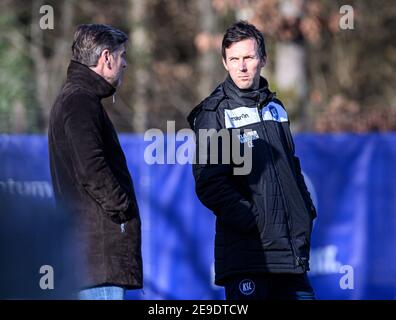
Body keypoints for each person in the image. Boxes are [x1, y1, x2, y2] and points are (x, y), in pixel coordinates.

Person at [187, 21, 317, 300]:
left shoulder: (276, 108)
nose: (241, 66)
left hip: (290, 256)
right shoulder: (214, 112)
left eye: (248, 57)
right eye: (233, 59)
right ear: (224, 62)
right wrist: (255, 220)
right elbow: (209, 184)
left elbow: (292, 168)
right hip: (248, 255)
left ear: (263, 59)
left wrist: (305, 211)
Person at [48, 24, 143, 300]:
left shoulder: (76, 97)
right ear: (106, 57)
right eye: (122, 55)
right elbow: (91, 169)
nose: (125, 63)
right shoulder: (80, 100)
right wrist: (121, 208)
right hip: (98, 261)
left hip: (91, 260)